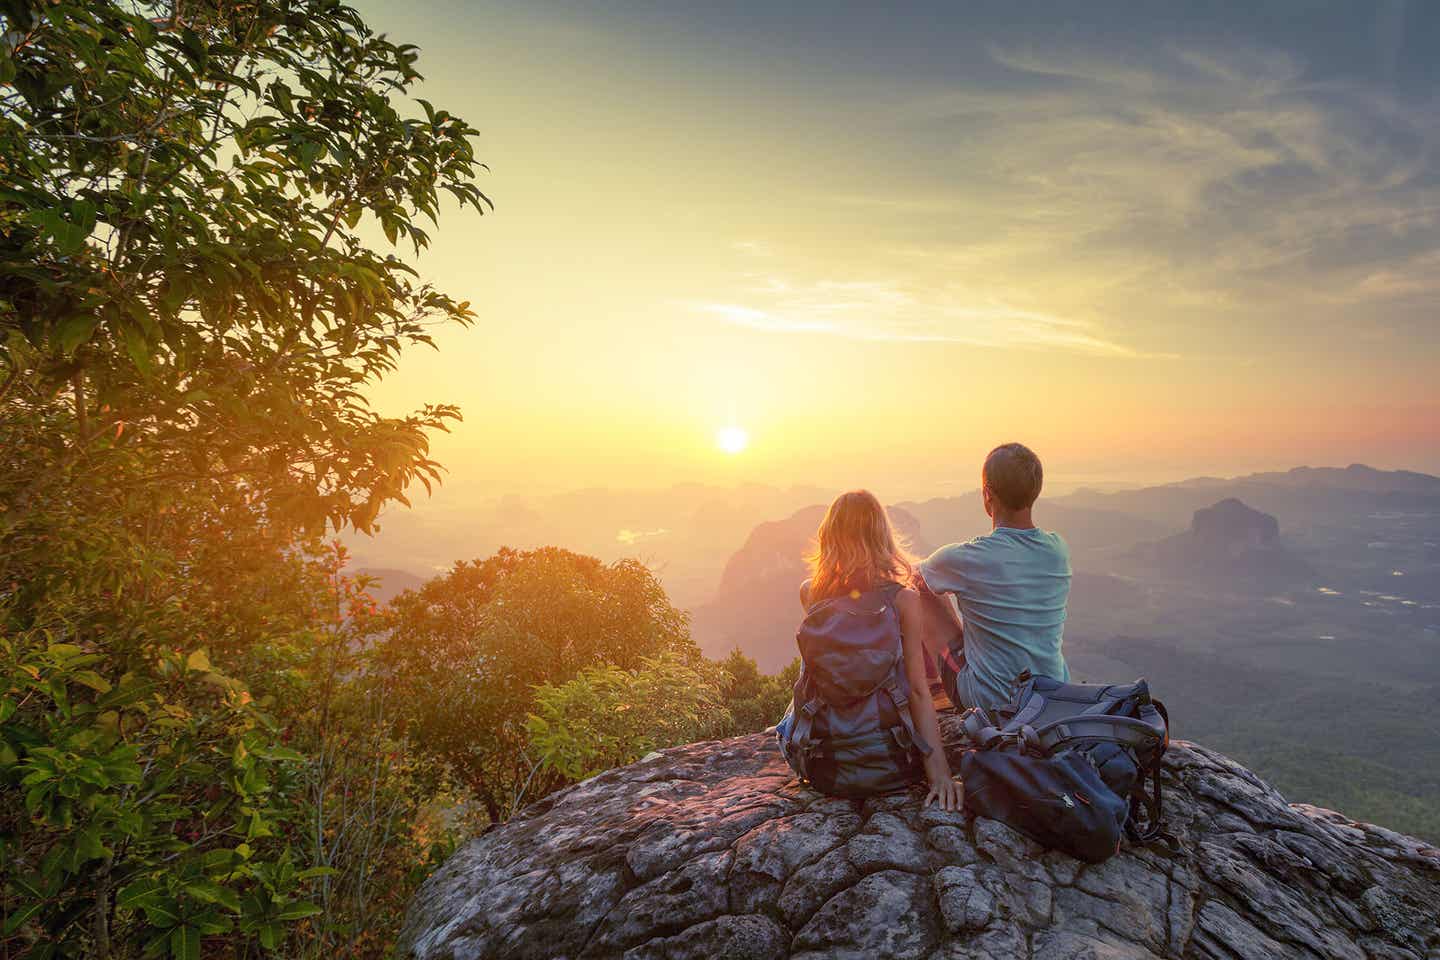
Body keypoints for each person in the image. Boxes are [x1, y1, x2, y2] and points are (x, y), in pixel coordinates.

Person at [781, 490, 963, 810]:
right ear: (882, 538)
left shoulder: (810, 594)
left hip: (825, 767)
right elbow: (918, 691)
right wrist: (940, 775)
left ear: (829, 537)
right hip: (893, 765)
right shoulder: (903, 600)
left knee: (792, 704)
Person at [916, 443, 1072, 711]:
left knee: (918, 593)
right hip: (1053, 694)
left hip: (990, 701)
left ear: (988, 494)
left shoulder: (967, 558)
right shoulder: (1058, 549)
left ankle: (928, 692)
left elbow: (915, 577)